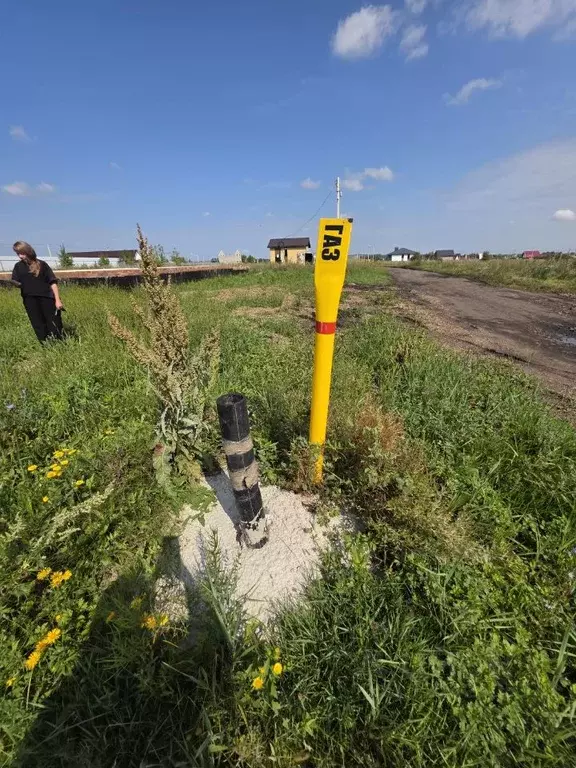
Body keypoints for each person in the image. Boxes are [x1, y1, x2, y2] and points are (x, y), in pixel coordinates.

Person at [11, 241, 64, 342]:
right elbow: (16, 280)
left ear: (28, 251)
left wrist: (57, 300)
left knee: (54, 322)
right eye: (18, 254)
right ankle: (45, 345)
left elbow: (53, 282)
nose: (20, 256)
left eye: (22, 253)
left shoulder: (42, 264)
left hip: (47, 298)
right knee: (37, 324)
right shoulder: (18, 267)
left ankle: (59, 343)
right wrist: (15, 283)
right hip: (29, 299)